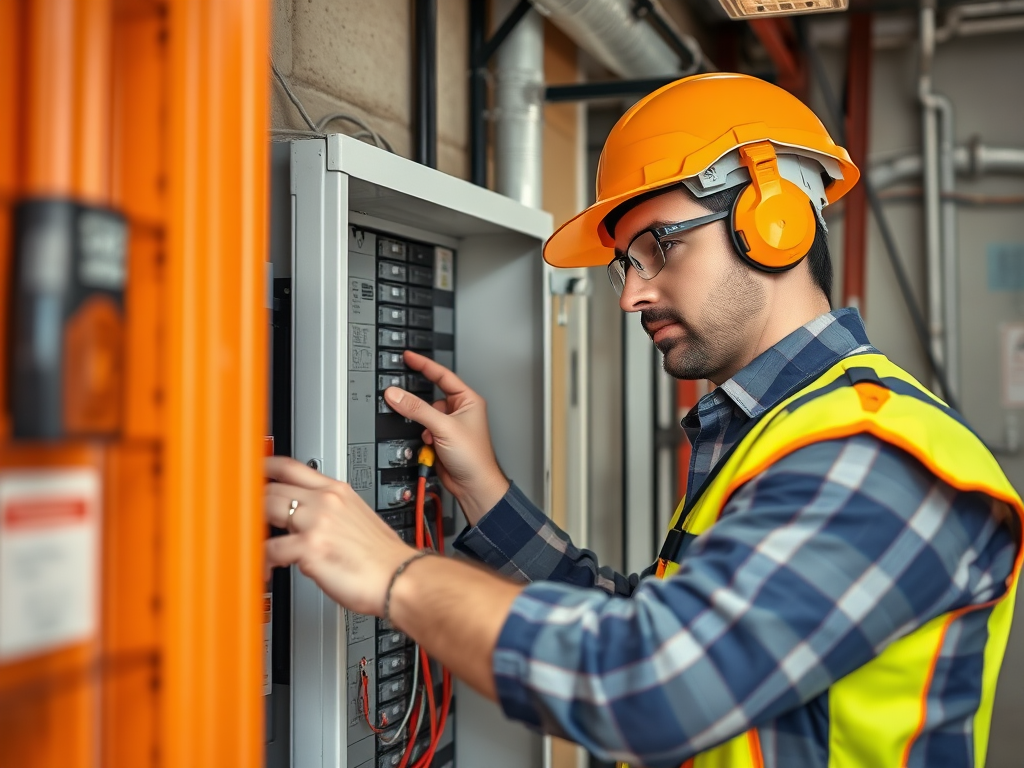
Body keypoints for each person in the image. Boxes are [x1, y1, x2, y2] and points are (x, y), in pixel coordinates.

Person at [264, 73, 1022, 767]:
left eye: (659, 248)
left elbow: (652, 681)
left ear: (775, 221)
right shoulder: (777, 432)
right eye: (626, 263)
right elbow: (658, 623)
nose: (631, 295)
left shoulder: (873, 454)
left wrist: (394, 573)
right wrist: (487, 495)